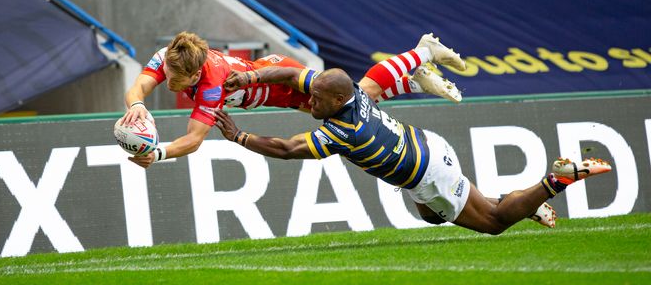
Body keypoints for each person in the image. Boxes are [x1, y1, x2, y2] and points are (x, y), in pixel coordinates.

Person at [214, 68, 612, 233]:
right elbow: (294, 75)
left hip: (427, 173)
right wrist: (250, 77)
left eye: (316, 100)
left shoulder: (344, 131)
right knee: (432, 216)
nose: (309, 103)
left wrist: (239, 137)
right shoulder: (344, 90)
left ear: (336, 100)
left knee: (491, 222)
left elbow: (287, 149)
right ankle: (526, 202)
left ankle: (555, 180)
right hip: (425, 147)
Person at [118, 31, 464, 169]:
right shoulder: (171, 55)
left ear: (196, 76)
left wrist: (157, 152)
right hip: (271, 89)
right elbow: (138, 88)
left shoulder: (211, 84)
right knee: (363, 98)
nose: (173, 86)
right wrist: (136, 106)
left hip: (280, 79)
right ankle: (412, 82)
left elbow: (193, 140)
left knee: (361, 96)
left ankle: (422, 51)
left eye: (180, 83)